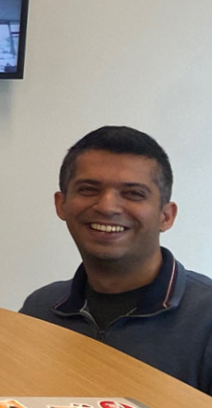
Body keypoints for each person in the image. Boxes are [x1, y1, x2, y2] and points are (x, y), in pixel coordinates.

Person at [20, 126, 212, 394]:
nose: (107, 206)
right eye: (88, 189)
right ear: (61, 204)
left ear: (165, 216)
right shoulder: (40, 310)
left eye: (133, 193)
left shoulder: (206, 318)